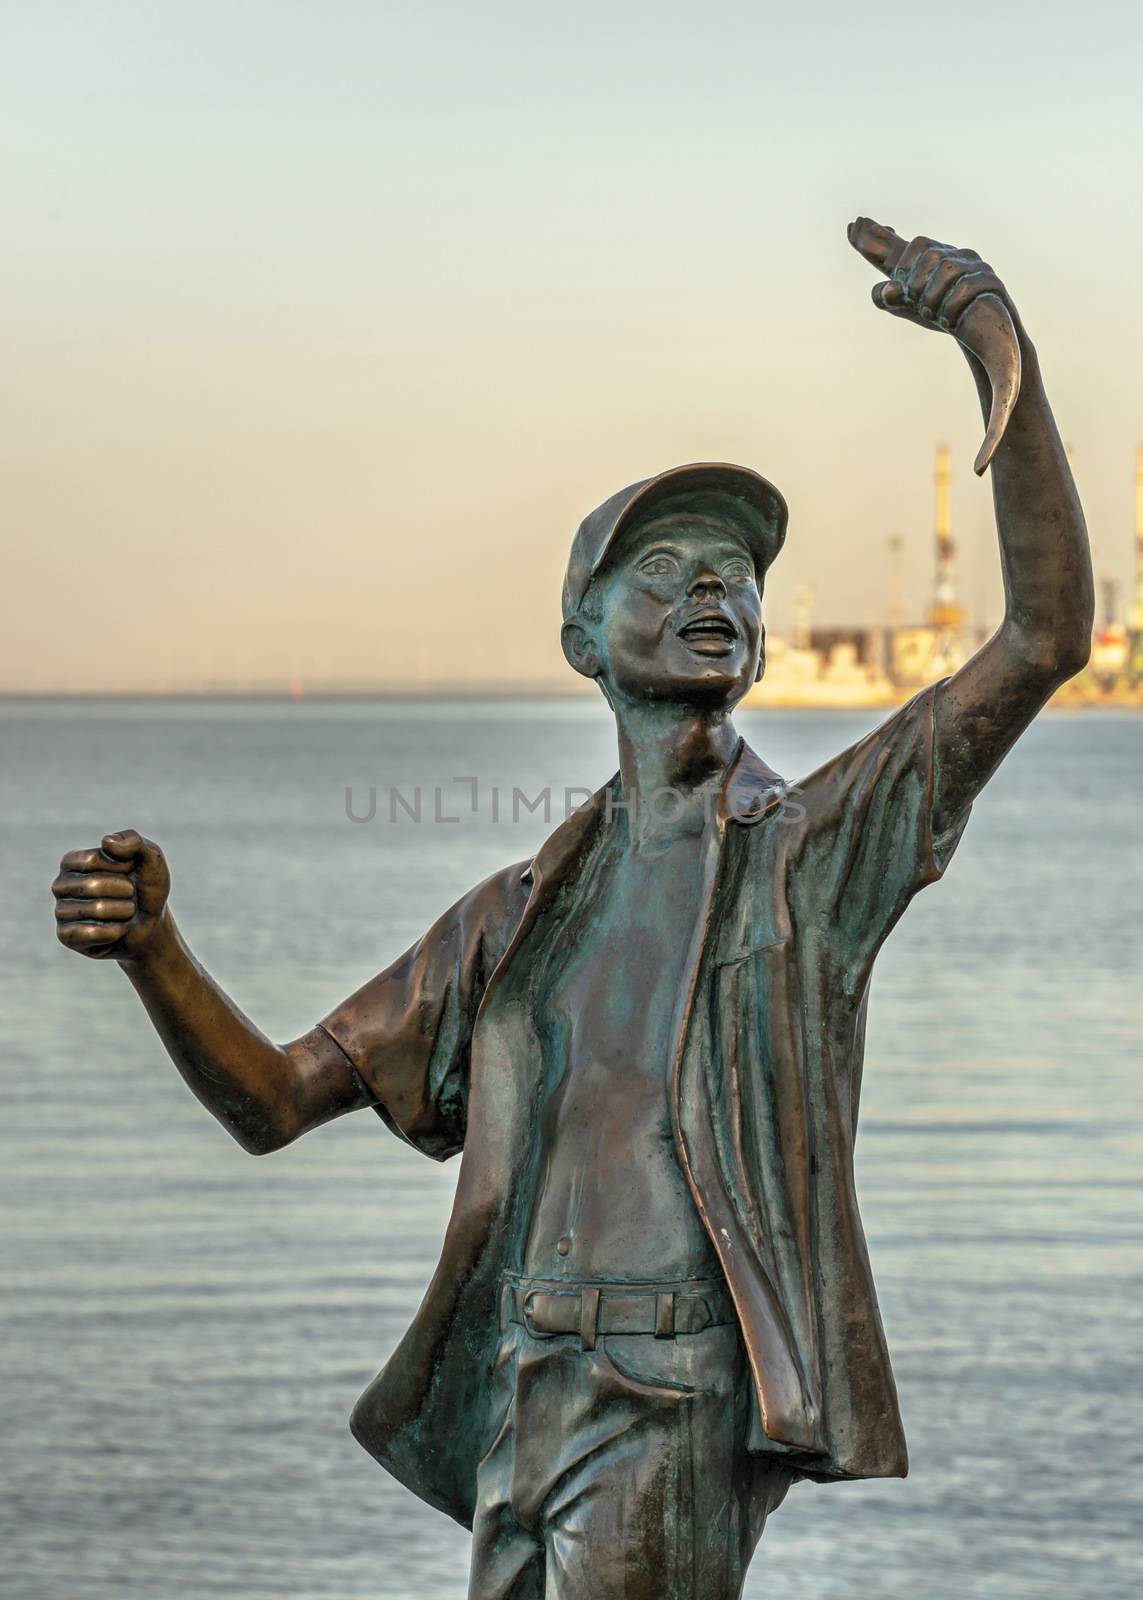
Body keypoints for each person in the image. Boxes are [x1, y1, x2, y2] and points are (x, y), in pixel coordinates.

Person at [52, 221, 1093, 1600]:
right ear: (581, 642)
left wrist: (994, 349)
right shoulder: (520, 914)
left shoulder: (809, 854)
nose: (713, 589)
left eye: (736, 572)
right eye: (663, 573)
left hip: (676, 1391)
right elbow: (275, 1100)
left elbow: (1044, 636)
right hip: (517, 1389)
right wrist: (153, 951)